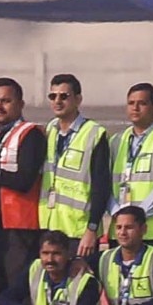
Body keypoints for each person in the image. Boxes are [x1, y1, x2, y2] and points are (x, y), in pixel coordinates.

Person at [0, 77, 46, 304]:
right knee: (0, 299)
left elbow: (24, 180)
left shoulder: (31, 134)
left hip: (21, 230)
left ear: (20, 104)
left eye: (6, 101)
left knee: (19, 299)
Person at [38, 74, 110, 260]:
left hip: (79, 232)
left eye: (64, 96)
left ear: (78, 99)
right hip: (52, 228)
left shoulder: (94, 133)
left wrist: (91, 229)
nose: (58, 101)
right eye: (53, 96)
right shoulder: (51, 130)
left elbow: (101, 187)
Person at [110, 83, 153, 251]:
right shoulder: (116, 141)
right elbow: (106, 184)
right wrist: (119, 217)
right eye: (131, 103)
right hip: (121, 234)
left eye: (142, 103)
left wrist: (136, 218)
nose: (135, 108)